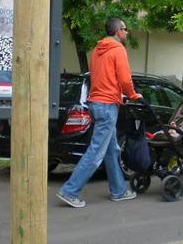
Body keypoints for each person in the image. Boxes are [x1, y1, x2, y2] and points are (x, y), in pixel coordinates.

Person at [57, 18, 142, 208]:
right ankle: (70, 190)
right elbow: (125, 79)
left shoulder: (96, 51)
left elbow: (99, 76)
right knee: (96, 152)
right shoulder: (118, 49)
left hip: (95, 103)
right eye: (125, 29)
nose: (127, 33)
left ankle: (119, 190)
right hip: (107, 105)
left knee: (111, 150)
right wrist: (132, 94)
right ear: (118, 31)